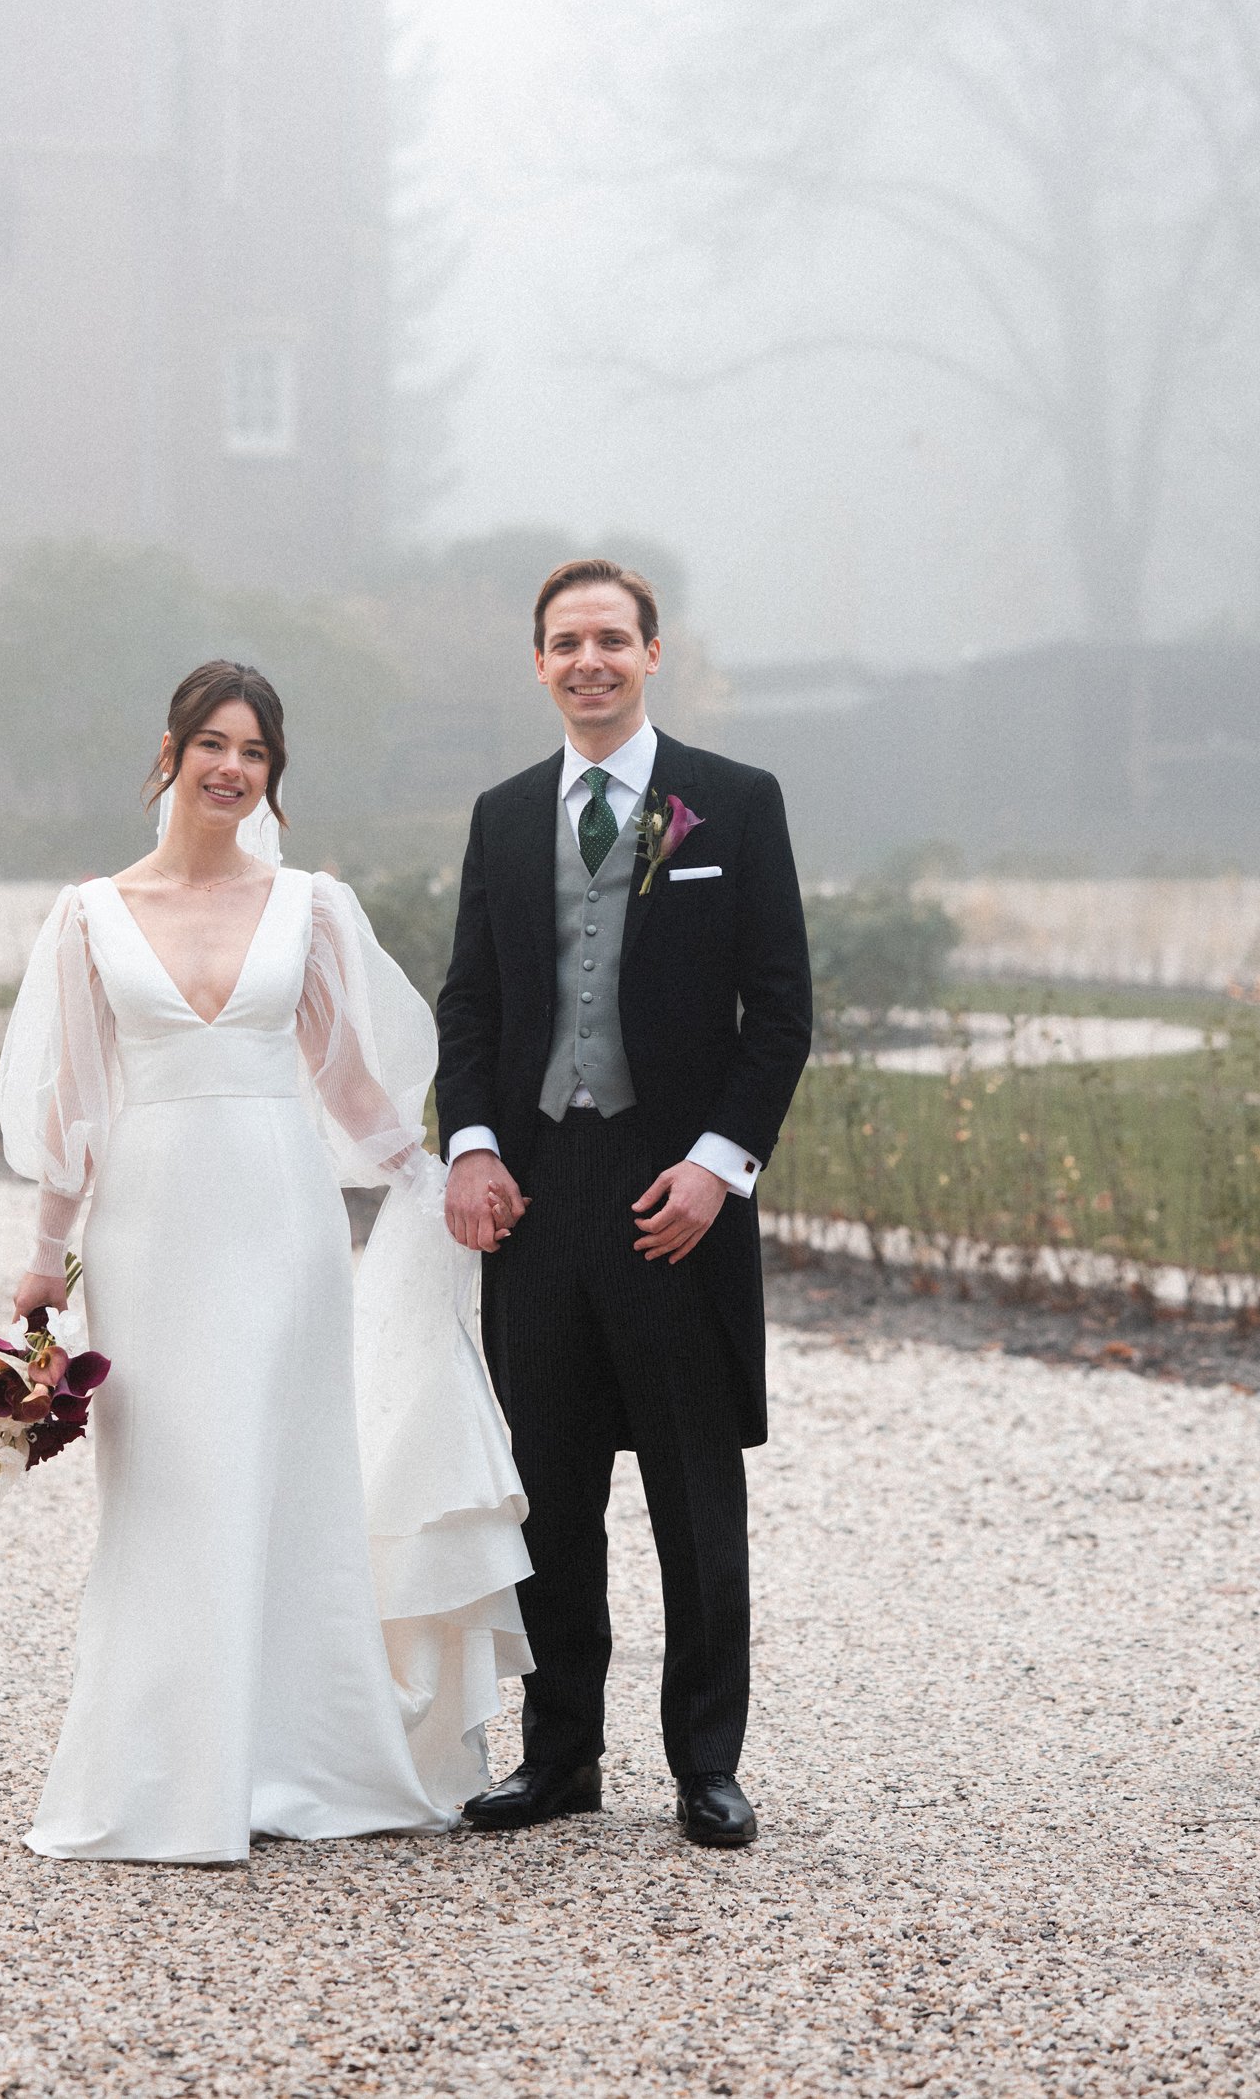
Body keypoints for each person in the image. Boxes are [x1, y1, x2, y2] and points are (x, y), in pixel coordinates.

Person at [0, 660, 529, 1865]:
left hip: (277, 1222)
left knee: (281, 1474)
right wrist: (41, 1259)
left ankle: (294, 1754)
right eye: (212, 744)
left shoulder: (310, 905)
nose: (231, 767)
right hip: (147, 1226)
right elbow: (75, 1104)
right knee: (166, 1486)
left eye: (255, 752)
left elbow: (350, 1085)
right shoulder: (91, 912)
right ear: (172, 751)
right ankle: (164, 1769)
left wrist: (434, 1171)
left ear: (271, 773)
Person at [436, 560, 812, 1849]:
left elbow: (781, 1009)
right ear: (537, 663)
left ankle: (706, 1763)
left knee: (694, 1495)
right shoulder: (499, 815)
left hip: (677, 1198)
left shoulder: (735, 804)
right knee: (545, 1493)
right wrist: (472, 1146)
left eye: (609, 639)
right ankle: (560, 1759)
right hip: (538, 1196)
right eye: (562, 642)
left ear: (653, 654)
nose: (586, 659)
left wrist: (719, 1164)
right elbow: (470, 1002)